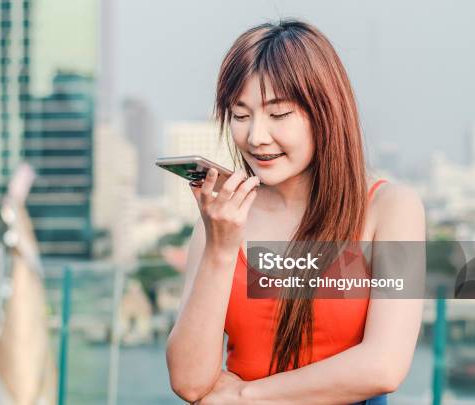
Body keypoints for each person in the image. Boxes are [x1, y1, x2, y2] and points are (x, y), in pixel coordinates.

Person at [166, 19, 425, 404]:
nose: (256, 136)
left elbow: (384, 365)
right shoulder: (221, 221)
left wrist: (245, 397)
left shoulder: (391, 209)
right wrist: (221, 250)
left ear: (326, 111)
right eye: (240, 115)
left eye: (278, 114)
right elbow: (188, 380)